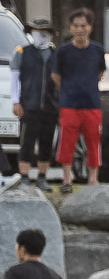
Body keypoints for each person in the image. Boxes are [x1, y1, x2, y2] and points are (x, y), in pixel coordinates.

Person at [51, 9, 104, 186]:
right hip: (69, 104)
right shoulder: (63, 51)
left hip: (92, 104)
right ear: (70, 27)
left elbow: (100, 72)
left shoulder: (98, 50)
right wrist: (68, 89)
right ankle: (67, 178)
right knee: (67, 142)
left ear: (90, 27)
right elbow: (55, 76)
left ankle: (93, 178)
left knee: (93, 141)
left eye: (84, 26)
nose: (80, 29)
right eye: (76, 26)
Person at [13, 19, 56, 185]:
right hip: (29, 106)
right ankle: (24, 176)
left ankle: (42, 177)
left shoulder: (54, 54)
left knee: (46, 143)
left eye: (45, 30)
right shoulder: (22, 52)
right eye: (38, 30)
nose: (42, 34)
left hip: (50, 106)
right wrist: (16, 101)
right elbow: (15, 79)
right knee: (27, 142)